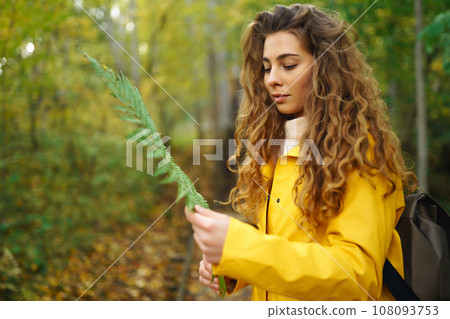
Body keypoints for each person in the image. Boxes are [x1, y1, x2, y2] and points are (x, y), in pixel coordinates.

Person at [185, 3, 416, 301]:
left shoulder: (361, 150)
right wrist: (234, 269)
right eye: (267, 67)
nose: (272, 79)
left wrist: (242, 248)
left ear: (325, 67)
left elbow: (357, 276)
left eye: (289, 65)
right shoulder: (275, 149)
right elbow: (287, 249)